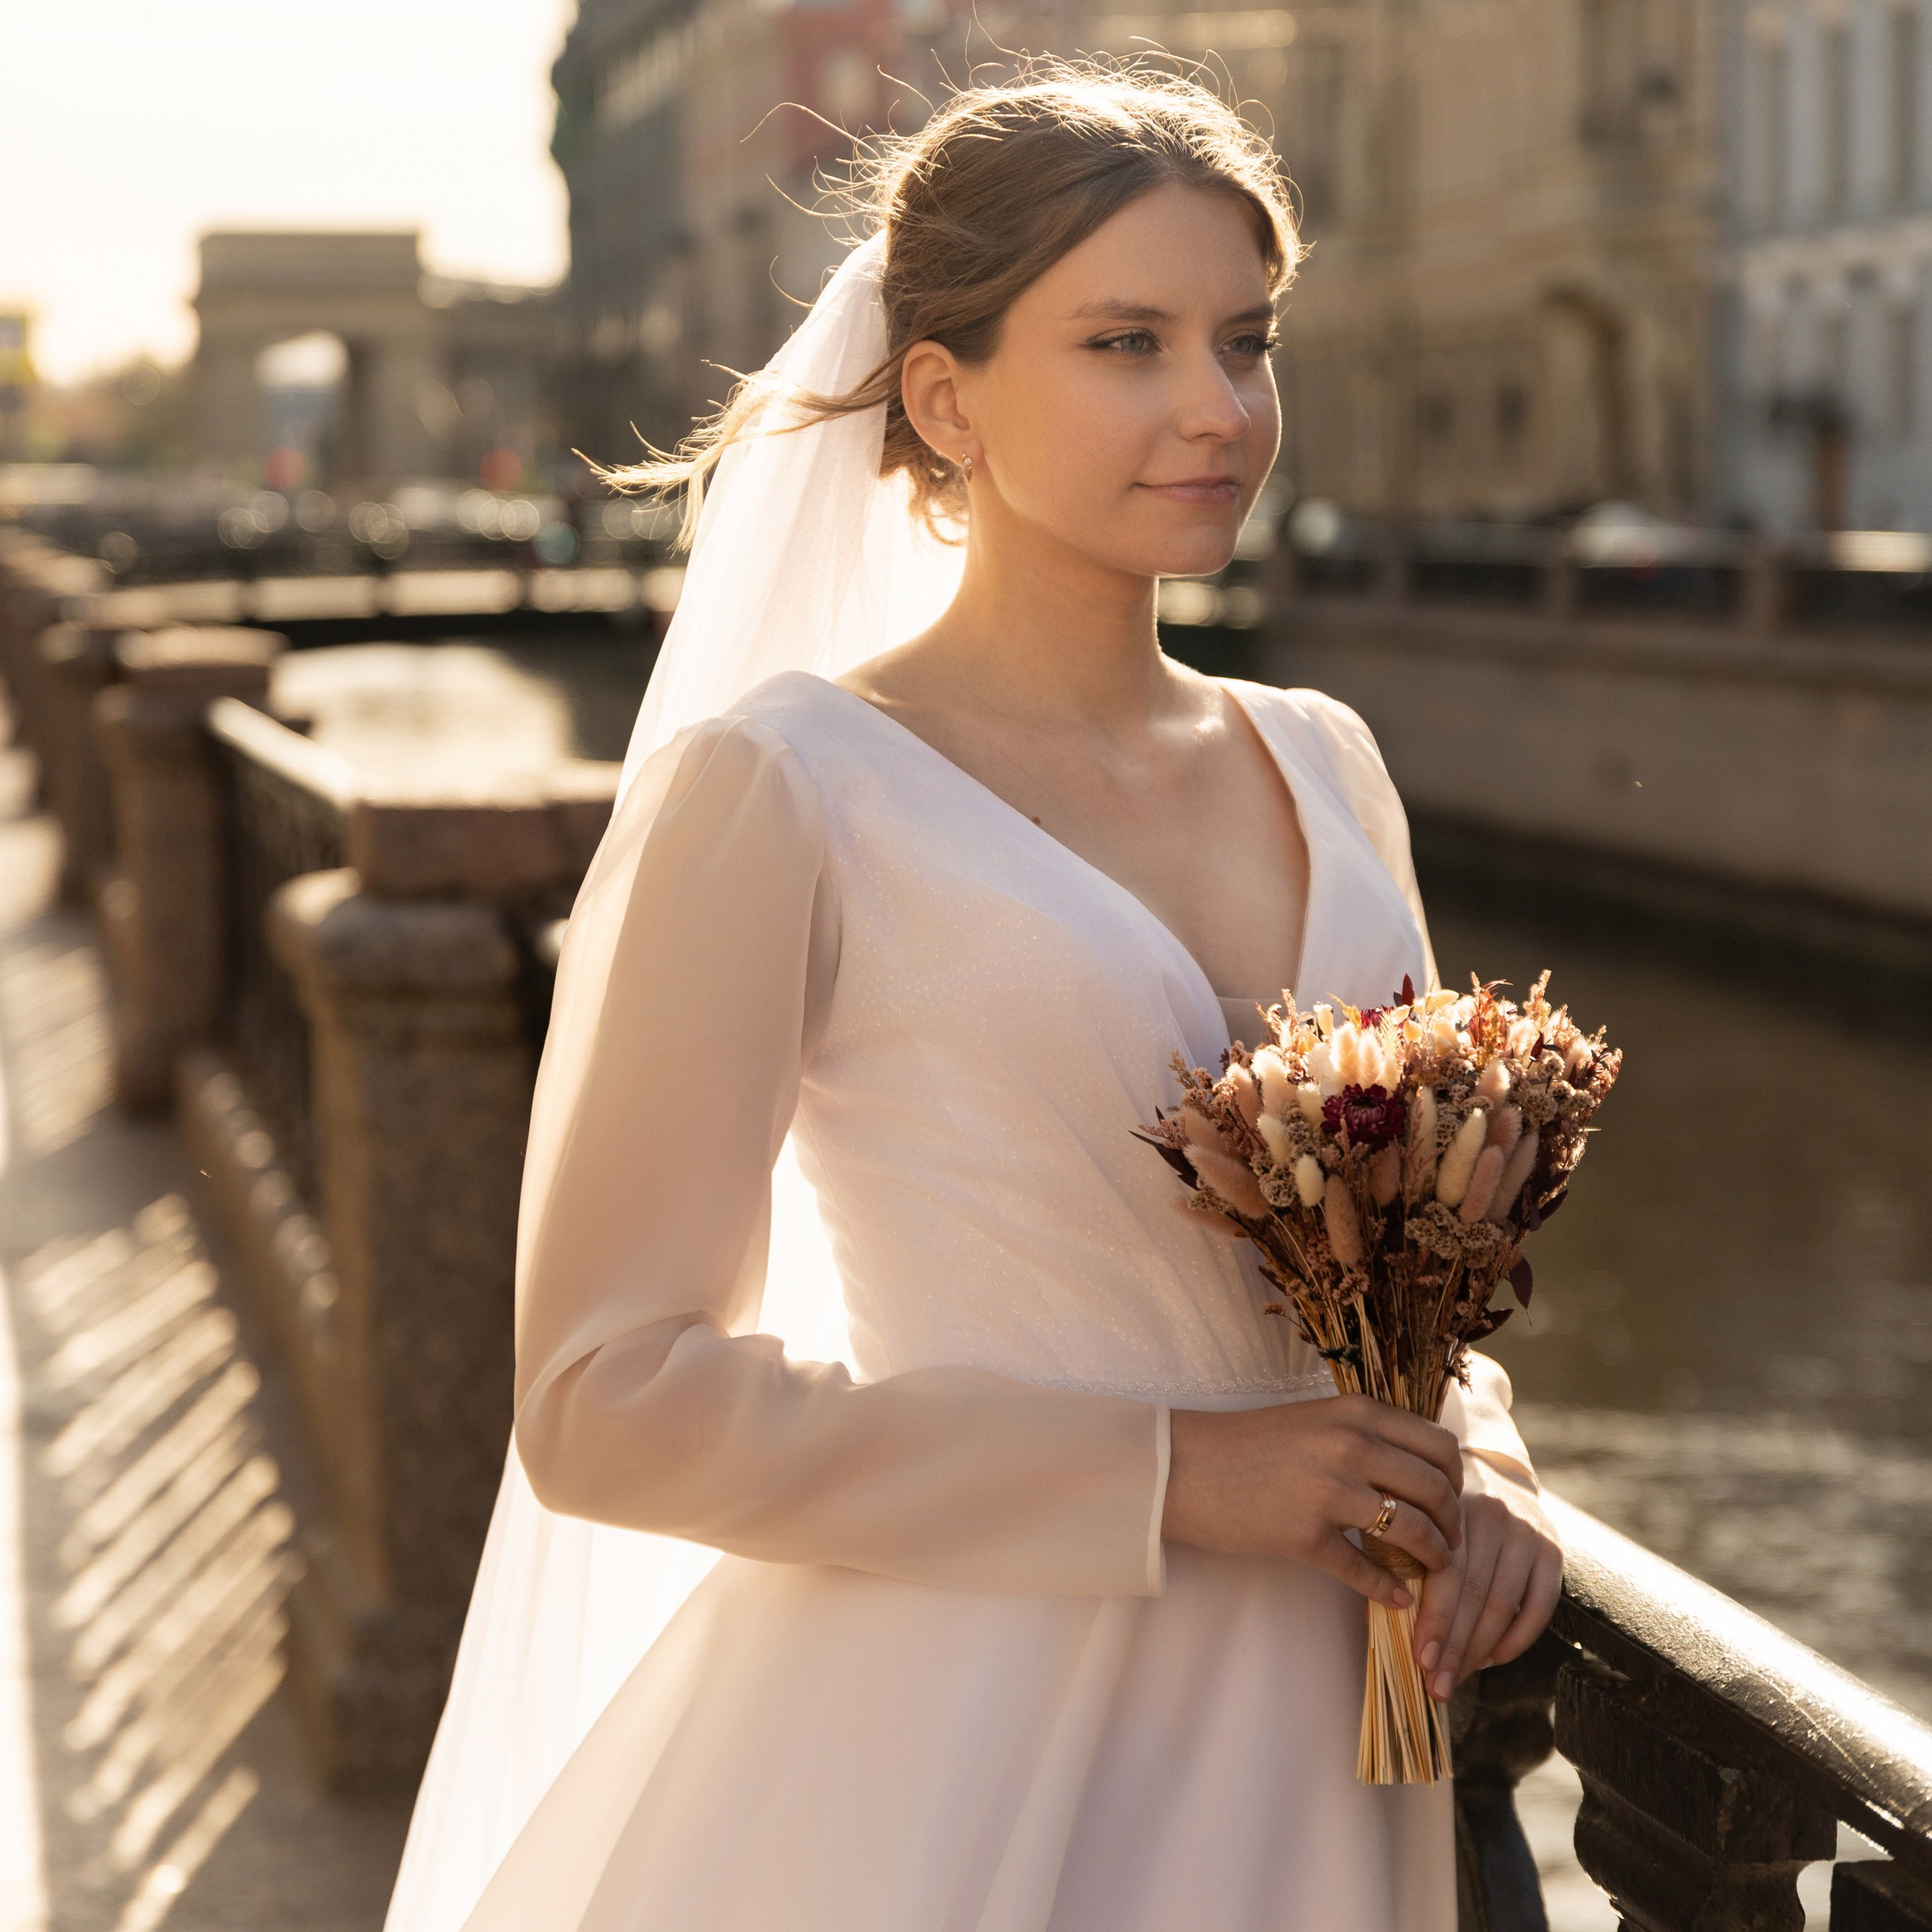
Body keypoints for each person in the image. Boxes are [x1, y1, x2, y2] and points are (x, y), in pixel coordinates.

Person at [386, 64, 1561, 1932]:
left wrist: (1476, 1456)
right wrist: (1173, 1474)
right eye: (1124, 343)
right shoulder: (784, 786)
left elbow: (1409, 1248)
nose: (1216, 406)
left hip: (1326, 1749)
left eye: (1244, 340)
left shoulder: (1328, 759)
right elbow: (604, 1397)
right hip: (961, 1749)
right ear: (944, 398)